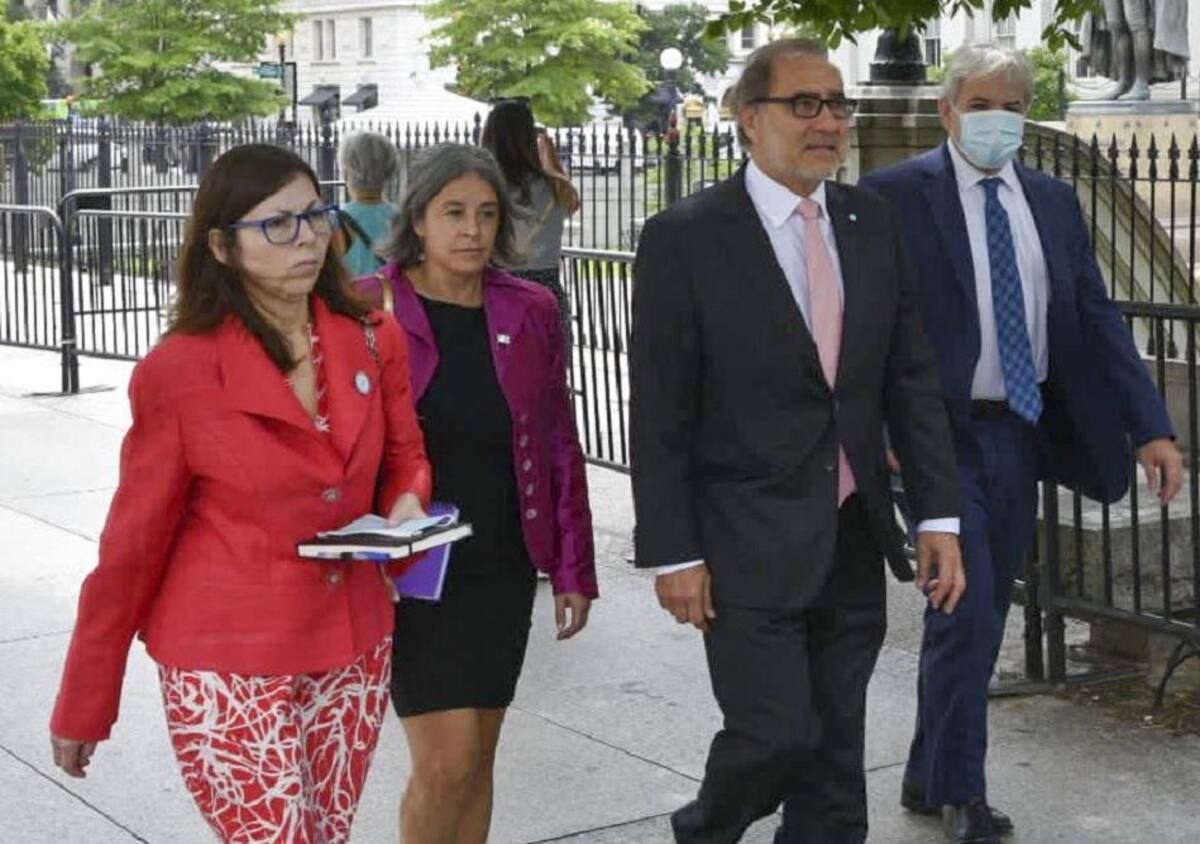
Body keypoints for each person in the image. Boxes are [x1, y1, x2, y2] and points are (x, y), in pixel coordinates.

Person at [630, 38, 966, 844]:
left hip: (852, 532)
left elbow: (909, 378)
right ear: (750, 119)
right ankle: (705, 829)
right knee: (777, 734)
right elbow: (662, 408)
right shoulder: (687, 236)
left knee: (836, 768)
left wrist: (940, 518)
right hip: (744, 540)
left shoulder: (869, 221)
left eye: (838, 104)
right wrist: (673, 553)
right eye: (804, 104)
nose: (829, 122)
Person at [47, 143, 432, 843]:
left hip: (352, 641)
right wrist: (85, 700)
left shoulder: (374, 338)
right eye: (278, 224)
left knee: (325, 833)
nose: (308, 237)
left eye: (316, 214)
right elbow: (131, 547)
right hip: (225, 653)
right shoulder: (179, 371)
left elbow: (406, 456)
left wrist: (408, 501)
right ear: (222, 246)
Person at [860, 44, 1183, 843]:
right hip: (935, 438)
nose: (996, 118)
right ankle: (962, 794)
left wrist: (1152, 427)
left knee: (974, 613)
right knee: (964, 611)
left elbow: (1099, 320)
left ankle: (926, 772)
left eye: (1010, 103)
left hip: (1018, 435)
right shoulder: (893, 196)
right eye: (979, 103)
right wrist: (875, 429)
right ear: (946, 110)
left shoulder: (1054, 201)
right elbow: (860, 327)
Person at [356, 143, 597, 844]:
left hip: (501, 560)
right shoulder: (371, 307)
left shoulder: (530, 309)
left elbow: (558, 443)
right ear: (418, 220)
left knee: (479, 759)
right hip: (413, 571)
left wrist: (573, 569)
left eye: (486, 214)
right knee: (447, 763)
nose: (472, 229)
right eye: (453, 212)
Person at [481, 100, 579, 340]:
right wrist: (549, 153)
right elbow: (572, 203)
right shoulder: (556, 187)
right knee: (548, 370)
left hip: (496, 288)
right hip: (545, 289)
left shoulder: (484, 187)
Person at [337, 130, 399, 277]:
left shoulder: (336, 222)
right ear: (389, 170)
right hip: (392, 297)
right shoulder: (403, 219)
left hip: (352, 297)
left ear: (346, 171)